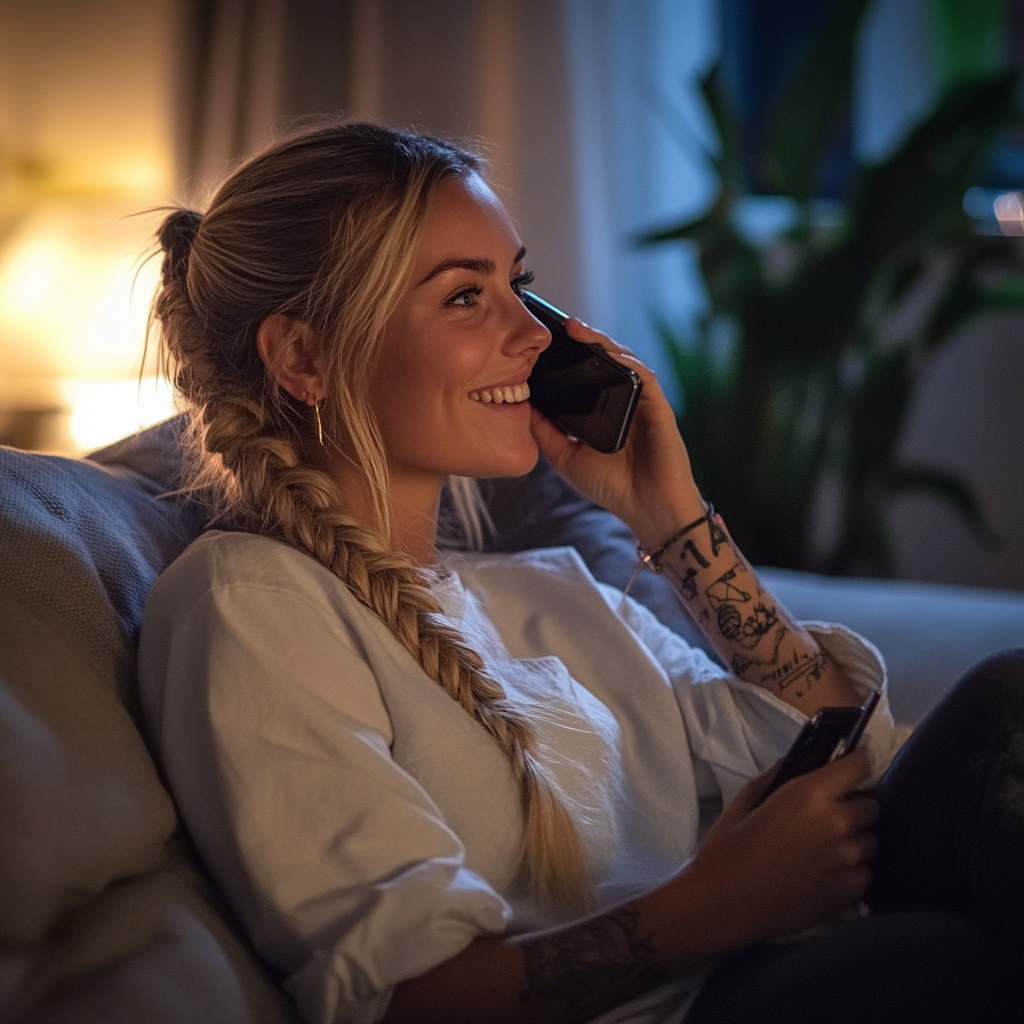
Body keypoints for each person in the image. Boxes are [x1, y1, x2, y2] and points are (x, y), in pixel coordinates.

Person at [138, 122, 1024, 1024]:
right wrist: (714, 906)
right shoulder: (251, 602)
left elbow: (851, 763)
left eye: (519, 285)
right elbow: (406, 1001)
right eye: (464, 298)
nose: (533, 333)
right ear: (304, 358)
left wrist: (669, 517)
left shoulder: (556, 594)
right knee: (933, 958)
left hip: (792, 959)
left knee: (1004, 708)